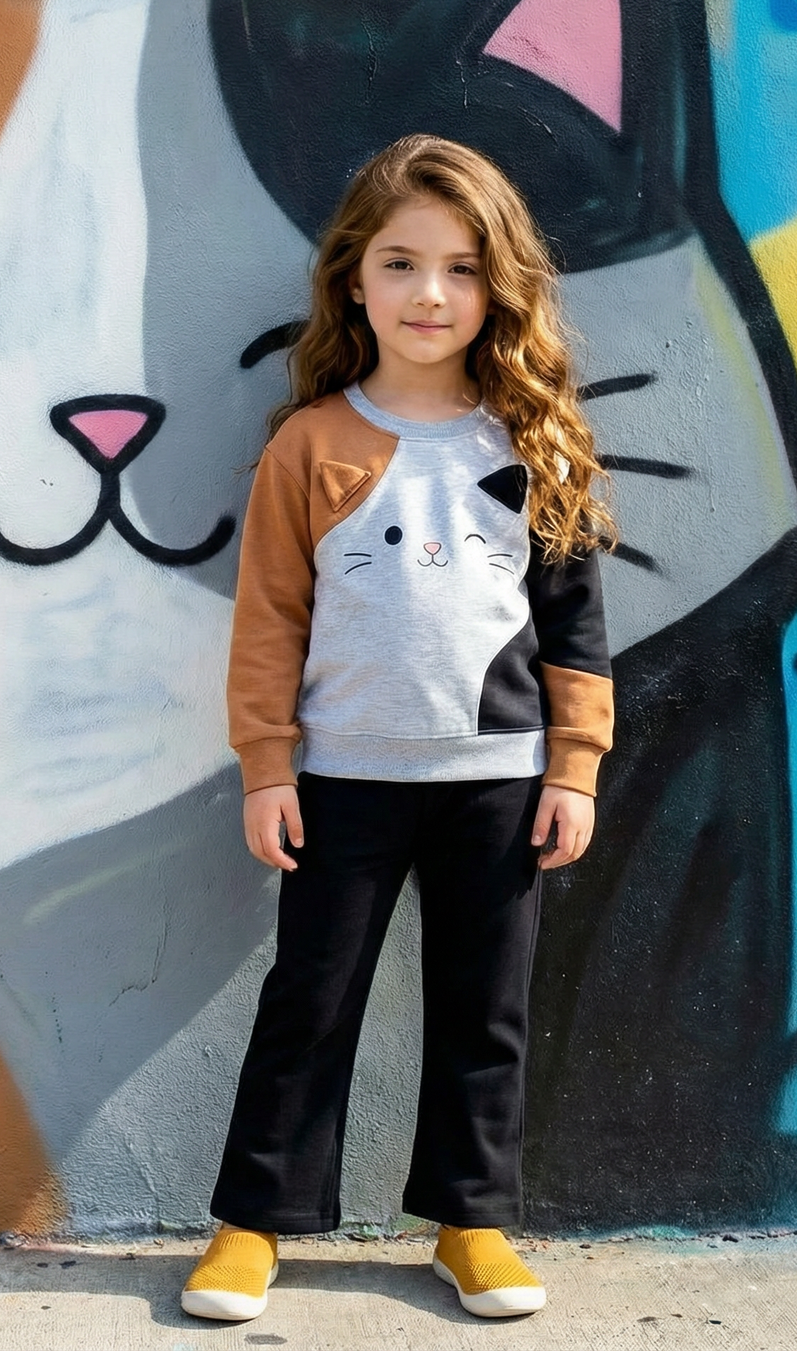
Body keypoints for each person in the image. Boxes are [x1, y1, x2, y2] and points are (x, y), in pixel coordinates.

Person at [181, 135, 615, 1322]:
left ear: (499, 288)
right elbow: (267, 619)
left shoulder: (536, 443)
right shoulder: (309, 444)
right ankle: (251, 1223)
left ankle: (468, 1220)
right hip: (342, 781)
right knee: (308, 999)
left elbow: (574, 627)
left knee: (486, 1005)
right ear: (352, 281)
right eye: (401, 262)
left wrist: (572, 769)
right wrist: (267, 765)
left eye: (463, 268)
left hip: (501, 781)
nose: (431, 293)